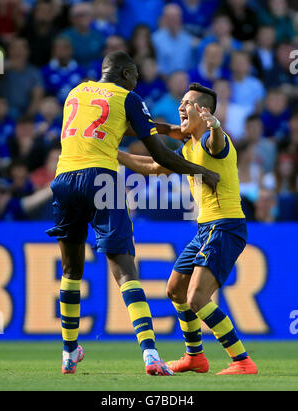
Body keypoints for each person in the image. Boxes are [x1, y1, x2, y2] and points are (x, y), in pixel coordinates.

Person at [45, 51, 219, 376]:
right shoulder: (129, 97)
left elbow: (108, 125)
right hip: (100, 180)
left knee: (70, 271)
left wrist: (166, 128)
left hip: (64, 179)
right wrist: (201, 172)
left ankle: (69, 351)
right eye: (135, 74)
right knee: (125, 270)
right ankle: (150, 354)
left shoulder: (76, 92)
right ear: (125, 74)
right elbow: (161, 157)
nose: (137, 80)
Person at [117, 82, 258, 375]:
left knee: (196, 298)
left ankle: (242, 360)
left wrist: (216, 127)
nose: (180, 107)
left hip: (225, 226)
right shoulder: (187, 145)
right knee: (175, 291)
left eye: (187, 103)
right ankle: (195, 357)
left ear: (204, 111)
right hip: (204, 229)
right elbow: (155, 166)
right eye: (180, 102)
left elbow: (217, 142)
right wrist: (114, 153)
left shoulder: (210, 139)